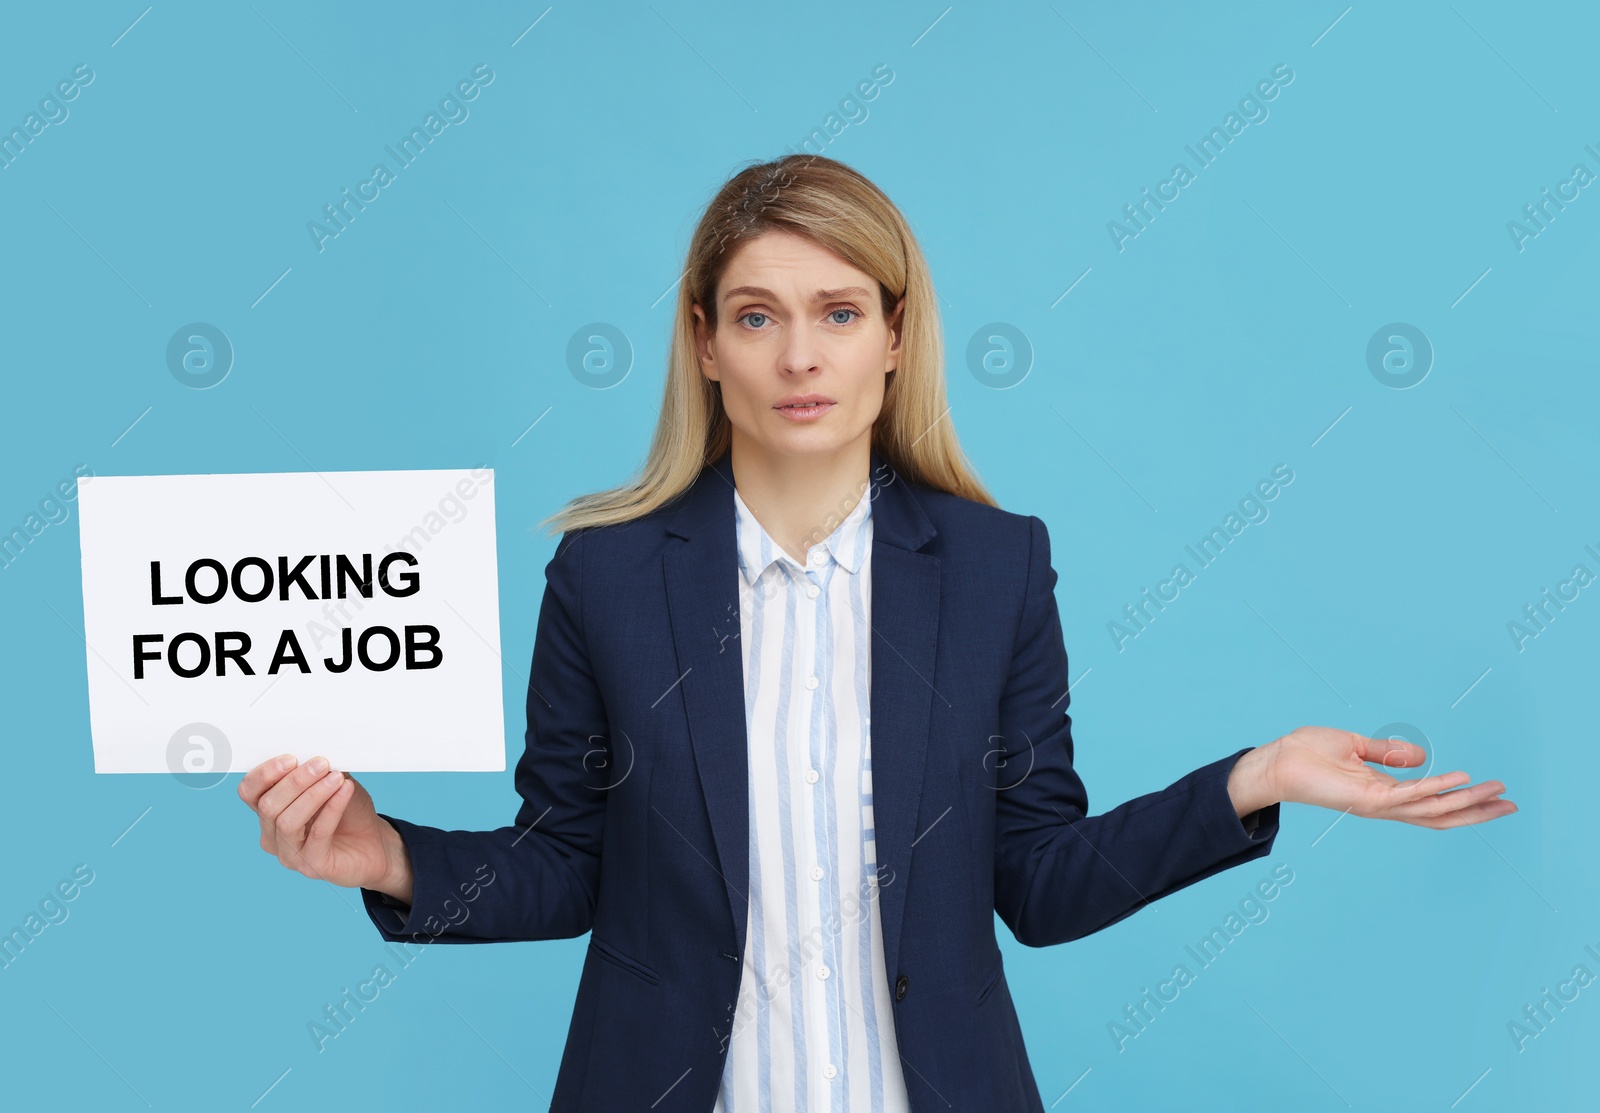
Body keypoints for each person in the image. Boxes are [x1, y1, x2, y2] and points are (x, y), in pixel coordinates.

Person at [238, 154, 1516, 1112]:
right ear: (705, 344)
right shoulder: (606, 577)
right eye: (757, 315)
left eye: (840, 312)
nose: (801, 354)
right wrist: (384, 854)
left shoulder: (995, 567)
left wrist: (1254, 780)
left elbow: (1037, 882)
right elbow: (569, 866)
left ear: (896, 339)